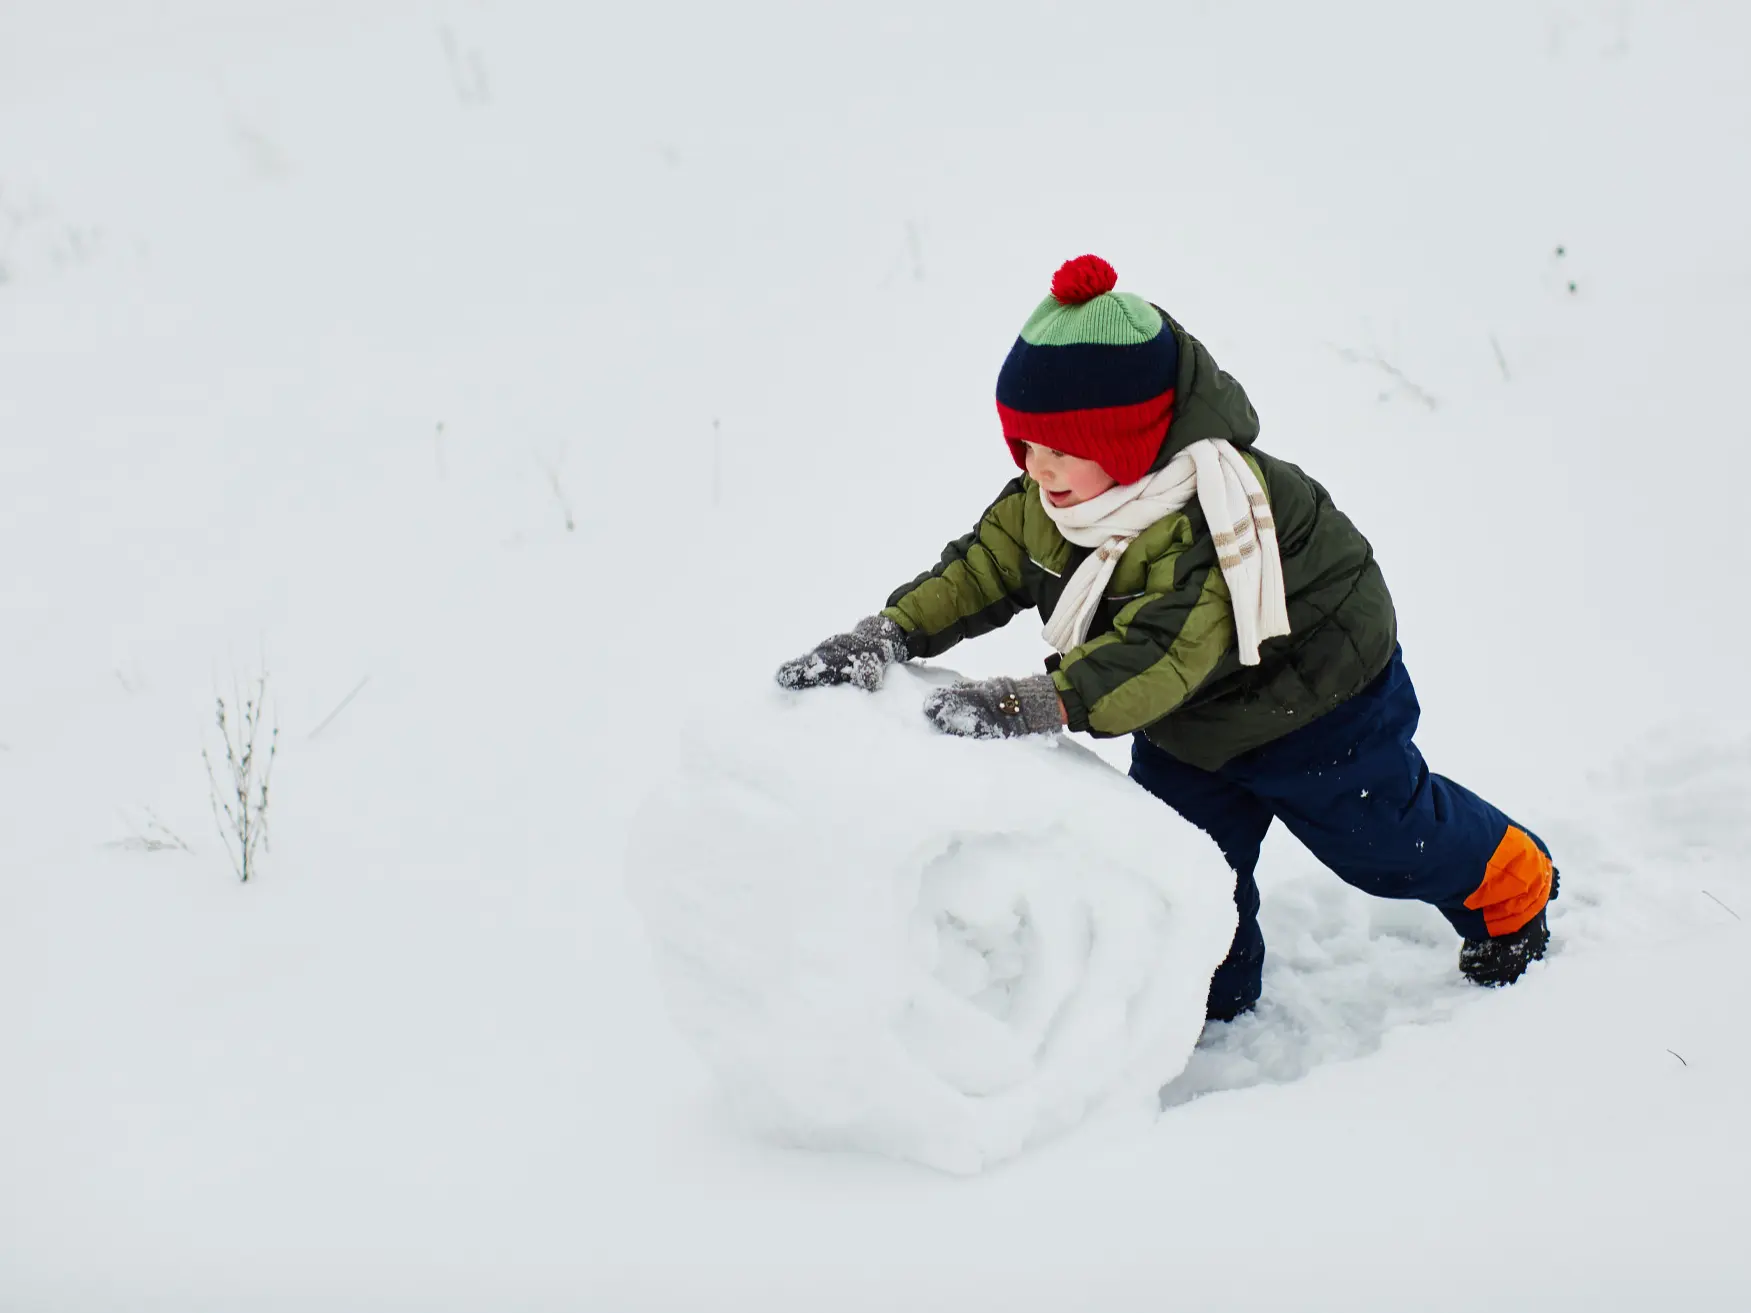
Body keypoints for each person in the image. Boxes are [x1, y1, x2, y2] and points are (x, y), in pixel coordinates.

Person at [775, 254, 1556, 1021]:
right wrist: (888, 632)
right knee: (1185, 866)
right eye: (1024, 443)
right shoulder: (1052, 500)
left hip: (1315, 698)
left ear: (1127, 443)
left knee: (1383, 838)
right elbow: (980, 569)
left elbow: (1161, 650)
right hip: (1192, 716)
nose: (1035, 467)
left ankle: (1511, 882)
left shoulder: (1211, 513)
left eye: (1059, 447)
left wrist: (1037, 702)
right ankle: (1209, 996)